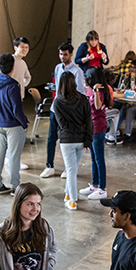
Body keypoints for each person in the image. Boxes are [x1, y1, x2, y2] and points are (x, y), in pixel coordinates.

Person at [39, 42, 86, 180]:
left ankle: (68, 168)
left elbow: (80, 93)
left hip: (69, 111)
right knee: (51, 138)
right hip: (56, 107)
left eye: (65, 54)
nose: (62, 57)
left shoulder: (77, 72)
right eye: (60, 54)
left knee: (68, 141)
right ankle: (49, 166)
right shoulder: (57, 68)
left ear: (71, 54)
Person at [0, 53, 28, 195]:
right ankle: (15, 187)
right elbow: (17, 109)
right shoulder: (13, 85)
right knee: (13, 156)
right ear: (13, 67)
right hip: (13, 125)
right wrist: (24, 123)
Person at [50, 76, 91, 209]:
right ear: (74, 83)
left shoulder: (57, 102)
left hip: (66, 140)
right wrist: (87, 140)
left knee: (71, 170)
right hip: (81, 140)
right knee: (73, 168)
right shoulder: (83, 99)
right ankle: (68, 193)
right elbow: (89, 121)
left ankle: (73, 201)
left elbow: (61, 124)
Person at [84, 69, 113, 199]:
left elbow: (97, 106)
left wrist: (95, 91)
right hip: (91, 127)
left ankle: (102, 188)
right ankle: (95, 184)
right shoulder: (90, 89)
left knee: (99, 158)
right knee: (93, 157)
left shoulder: (100, 91)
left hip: (98, 128)